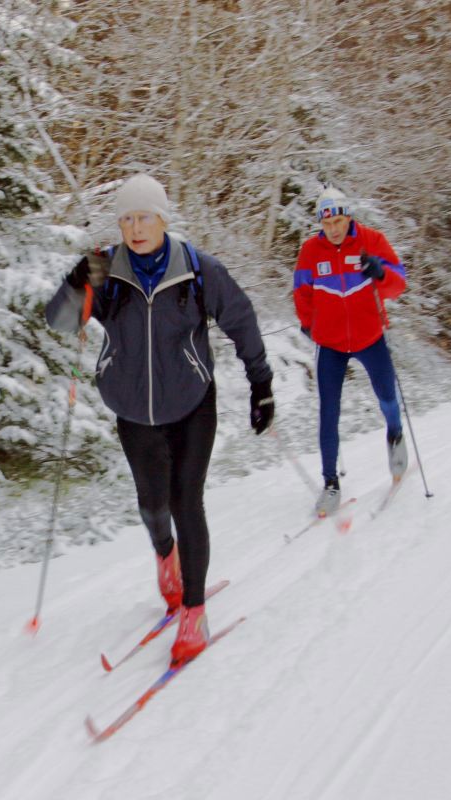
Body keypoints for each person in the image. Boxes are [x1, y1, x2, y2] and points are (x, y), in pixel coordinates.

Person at [45, 174, 274, 666]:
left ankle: (193, 611)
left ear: (163, 218)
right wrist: (75, 282)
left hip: (192, 403)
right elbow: (62, 322)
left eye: (144, 216)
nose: (135, 227)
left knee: (186, 501)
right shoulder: (105, 268)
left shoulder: (196, 269)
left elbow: (241, 320)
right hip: (133, 408)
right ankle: (164, 558)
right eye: (126, 217)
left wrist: (262, 384)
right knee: (153, 506)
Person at [293, 186, 408, 518]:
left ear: (348, 217)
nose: (334, 229)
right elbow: (302, 291)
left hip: (369, 336)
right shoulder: (311, 252)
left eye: (339, 221)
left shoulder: (371, 241)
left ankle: (395, 435)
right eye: (327, 224)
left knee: (387, 395)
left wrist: (381, 273)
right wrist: (308, 324)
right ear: (320, 223)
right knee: (329, 411)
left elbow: (399, 283)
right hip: (330, 344)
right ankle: (330, 483)